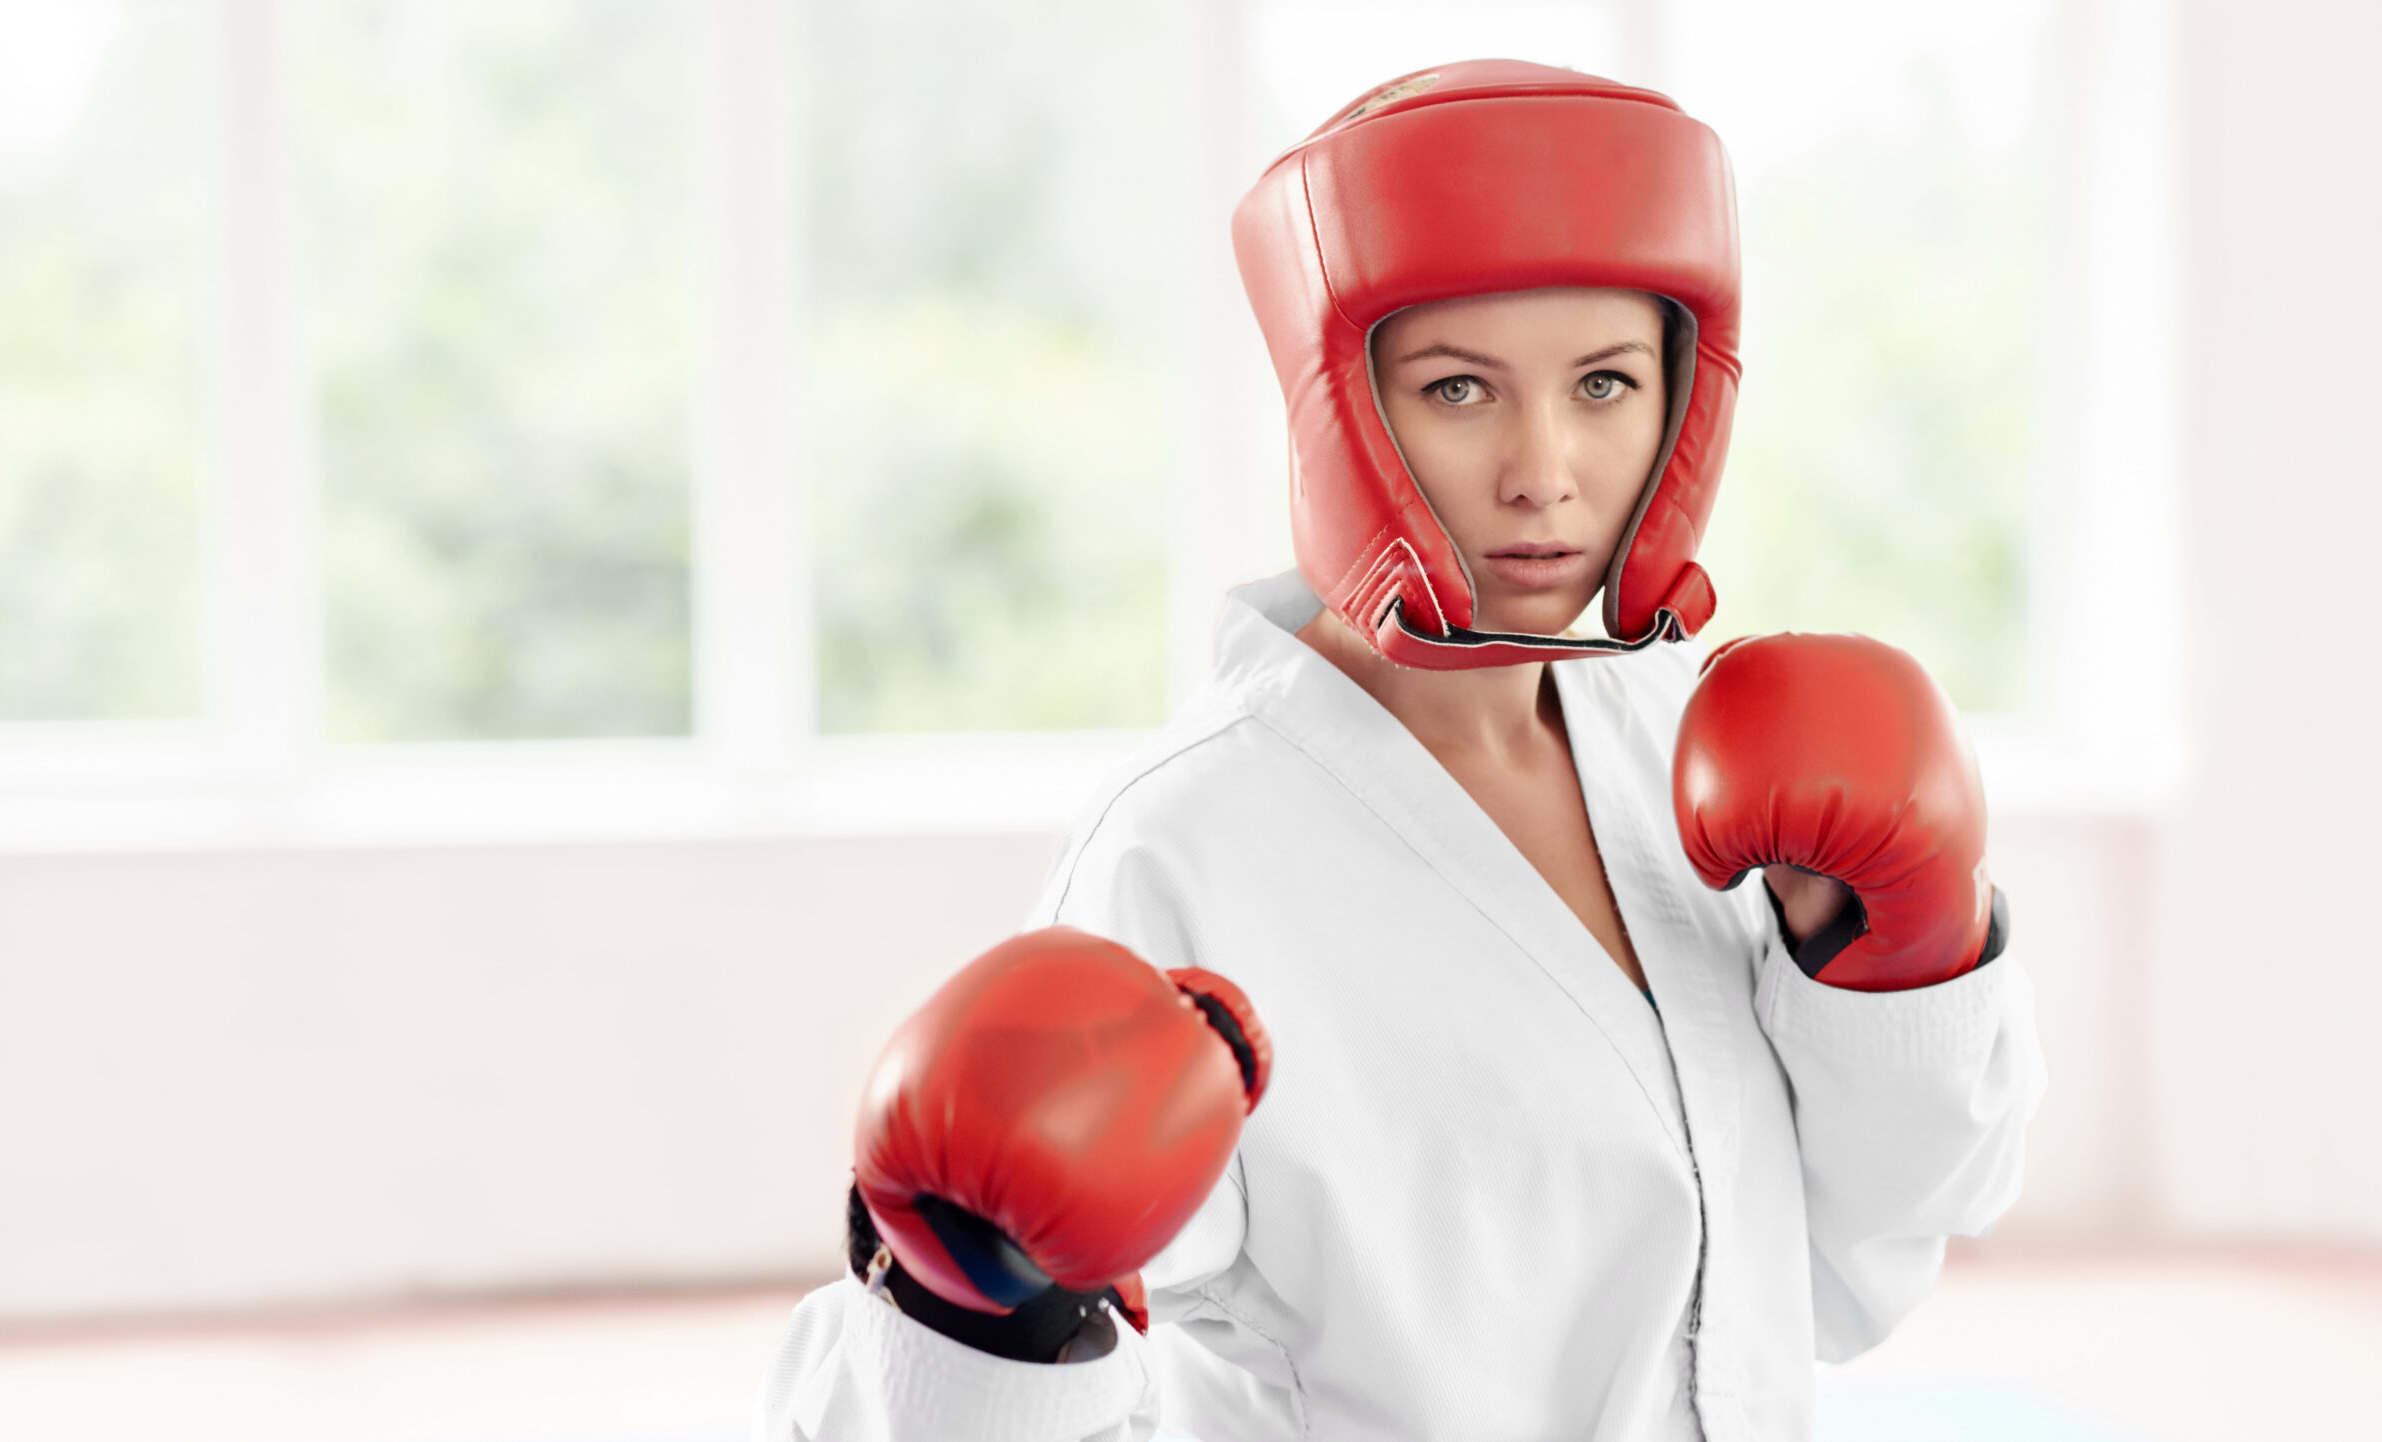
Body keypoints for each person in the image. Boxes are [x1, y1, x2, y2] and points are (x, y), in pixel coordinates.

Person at [755, 60, 2043, 1442]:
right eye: (1460, 389)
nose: (1545, 470)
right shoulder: (1187, 846)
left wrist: (1895, 952)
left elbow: (1843, 1278)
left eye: (1606, 382)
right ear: (1339, 407)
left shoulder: (1703, 756)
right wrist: (980, 1306)